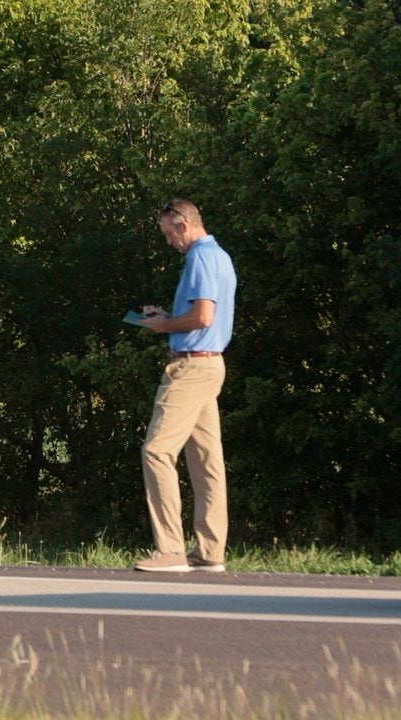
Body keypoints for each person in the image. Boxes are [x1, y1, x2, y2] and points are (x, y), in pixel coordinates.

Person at [133, 197, 236, 574]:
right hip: (211, 364)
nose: (168, 242)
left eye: (167, 233)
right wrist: (168, 317)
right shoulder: (221, 256)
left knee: (157, 451)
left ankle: (171, 549)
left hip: (191, 367)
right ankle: (210, 550)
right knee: (207, 460)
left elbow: (203, 316)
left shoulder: (200, 258)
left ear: (182, 225)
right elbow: (204, 314)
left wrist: (164, 325)